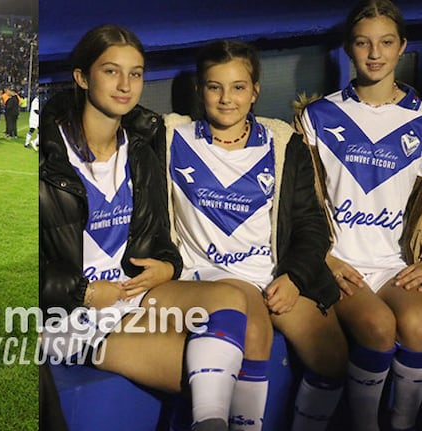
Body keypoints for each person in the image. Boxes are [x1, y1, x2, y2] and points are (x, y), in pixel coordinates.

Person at [40, 25, 253, 431]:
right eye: (111, 72)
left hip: (129, 293)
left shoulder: (142, 144)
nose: (125, 85)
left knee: (229, 299)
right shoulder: (48, 156)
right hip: (68, 313)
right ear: (82, 77)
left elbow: (159, 235)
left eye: (136, 73)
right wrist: (81, 291)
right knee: (204, 373)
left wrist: (169, 266)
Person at [164, 40, 349, 431]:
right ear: (200, 90)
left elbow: (311, 224)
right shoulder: (169, 137)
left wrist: (295, 276)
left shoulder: (282, 143)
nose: (226, 98)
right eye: (215, 86)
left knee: (333, 357)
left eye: (238, 87)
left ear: (255, 91)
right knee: (253, 331)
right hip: (209, 277)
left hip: (272, 274)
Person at [298, 1, 422, 430]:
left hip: (396, 265)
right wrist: (323, 259)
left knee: (419, 324)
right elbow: (300, 204)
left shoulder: (421, 118)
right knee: (377, 325)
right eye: (363, 42)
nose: (375, 53)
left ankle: (404, 422)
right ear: (349, 48)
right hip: (341, 263)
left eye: (386, 42)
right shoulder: (318, 115)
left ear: (402, 47)